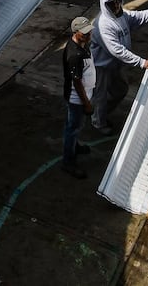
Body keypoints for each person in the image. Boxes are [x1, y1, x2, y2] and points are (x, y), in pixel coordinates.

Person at [90, 0, 148, 135]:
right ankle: (98, 122)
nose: (116, 6)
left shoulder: (122, 15)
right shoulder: (103, 25)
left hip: (115, 65)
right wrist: (141, 62)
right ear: (105, 5)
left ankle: (97, 111)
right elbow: (117, 50)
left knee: (120, 90)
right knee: (101, 96)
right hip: (100, 68)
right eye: (112, 4)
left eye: (118, 3)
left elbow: (139, 17)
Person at [61, 16, 96, 179]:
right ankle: (68, 161)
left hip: (82, 97)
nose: (88, 36)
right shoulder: (74, 55)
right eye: (85, 34)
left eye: (89, 33)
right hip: (77, 99)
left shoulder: (82, 44)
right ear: (76, 33)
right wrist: (86, 103)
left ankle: (75, 145)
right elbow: (77, 82)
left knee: (75, 126)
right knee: (73, 128)